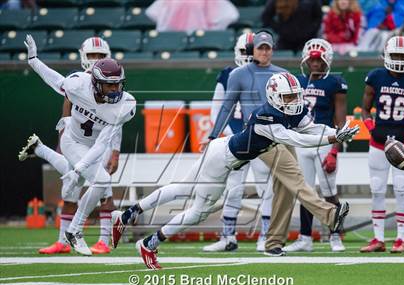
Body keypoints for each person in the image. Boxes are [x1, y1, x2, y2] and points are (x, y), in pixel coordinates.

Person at [113, 72, 358, 269]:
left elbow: (311, 128)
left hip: (222, 151)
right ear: (274, 97)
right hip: (222, 161)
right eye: (288, 97)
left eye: (295, 96)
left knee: (181, 189)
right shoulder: (266, 117)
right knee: (197, 210)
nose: (293, 102)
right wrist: (333, 137)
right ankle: (149, 243)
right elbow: (296, 139)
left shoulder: (287, 110)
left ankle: (128, 214)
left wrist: (334, 133)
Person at [20, 35, 136, 256]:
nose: (114, 91)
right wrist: (33, 60)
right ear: (95, 83)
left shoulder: (125, 105)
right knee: (86, 183)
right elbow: (53, 80)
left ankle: (75, 233)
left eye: (117, 85)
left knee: (93, 182)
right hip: (72, 141)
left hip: (94, 146)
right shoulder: (78, 84)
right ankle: (73, 233)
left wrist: (84, 166)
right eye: (109, 86)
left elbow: (103, 143)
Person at [203, 32, 273, 253]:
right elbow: (219, 108)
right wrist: (220, 136)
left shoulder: (268, 74)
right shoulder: (227, 74)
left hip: (261, 136)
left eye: (250, 51)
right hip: (236, 139)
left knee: (265, 186)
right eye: (244, 51)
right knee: (233, 188)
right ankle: (228, 237)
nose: (247, 55)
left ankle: (266, 235)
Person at [283, 38, 348, 253]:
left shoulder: (334, 83)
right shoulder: (297, 82)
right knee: (306, 192)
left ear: (326, 60)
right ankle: (305, 237)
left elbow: (340, 121)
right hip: (303, 143)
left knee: (329, 191)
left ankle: (335, 235)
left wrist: (335, 151)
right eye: (312, 60)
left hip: (324, 142)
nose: (315, 64)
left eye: (319, 60)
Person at [360, 35, 404, 253]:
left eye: (403, 55)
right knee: (377, 189)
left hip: (403, 143)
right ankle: (378, 239)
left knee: (402, 190)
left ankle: (401, 239)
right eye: (396, 55)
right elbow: (365, 109)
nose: (400, 59)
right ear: (386, 55)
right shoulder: (376, 76)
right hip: (378, 142)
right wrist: (372, 129)